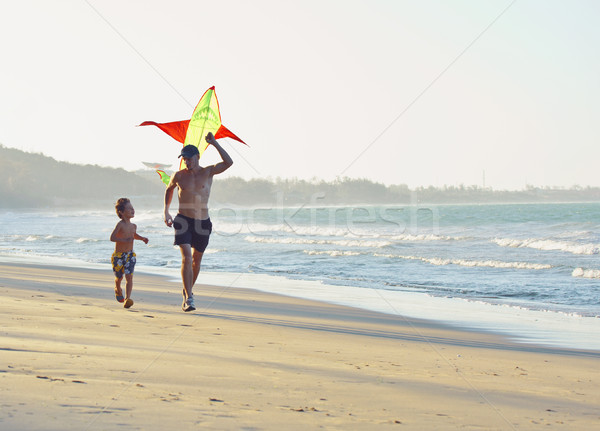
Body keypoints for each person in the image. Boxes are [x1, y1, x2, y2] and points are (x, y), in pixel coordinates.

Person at [164, 132, 233, 312]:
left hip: (202, 223)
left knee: (196, 261)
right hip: (183, 220)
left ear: (197, 157)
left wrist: (215, 143)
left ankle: (187, 291)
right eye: (184, 159)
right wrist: (166, 211)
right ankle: (190, 298)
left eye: (189, 158)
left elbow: (229, 163)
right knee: (186, 257)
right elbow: (169, 190)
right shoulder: (178, 175)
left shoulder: (208, 171)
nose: (187, 161)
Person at [110, 198, 149, 308]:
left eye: (133, 208)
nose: (133, 210)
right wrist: (123, 240)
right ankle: (117, 288)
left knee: (129, 277)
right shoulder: (120, 225)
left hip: (130, 255)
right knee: (119, 277)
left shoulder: (133, 226)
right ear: (122, 212)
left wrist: (142, 239)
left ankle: (127, 298)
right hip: (118, 256)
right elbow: (112, 238)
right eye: (129, 208)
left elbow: (133, 235)